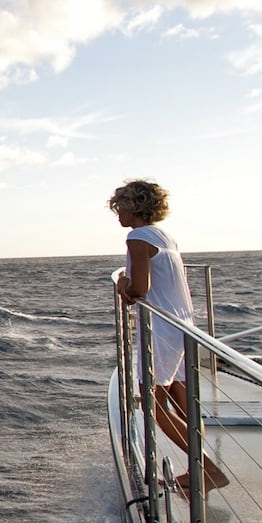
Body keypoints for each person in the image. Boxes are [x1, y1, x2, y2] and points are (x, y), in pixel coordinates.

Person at [109, 179, 228, 492]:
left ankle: (208, 470)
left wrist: (122, 284)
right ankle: (198, 468)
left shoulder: (137, 237)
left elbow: (138, 289)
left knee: (153, 405)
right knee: (182, 401)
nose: (117, 213)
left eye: (120, 206)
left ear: (134, 206)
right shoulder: (165, 236)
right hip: (182, 324)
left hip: (160, 330)